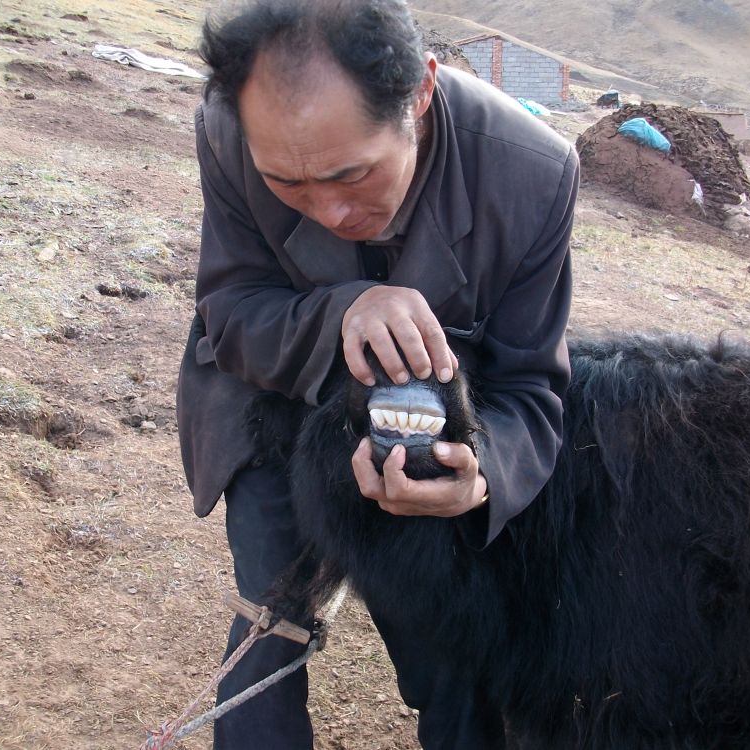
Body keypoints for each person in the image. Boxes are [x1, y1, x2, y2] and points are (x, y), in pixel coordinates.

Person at [176, 1, 578, 747]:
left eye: (352, 175)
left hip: (429, 431)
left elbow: (530, 385)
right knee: (270, 611)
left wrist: (479, 473)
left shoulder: (533, 175)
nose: (329, 212)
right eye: (287, 186)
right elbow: (229, 311)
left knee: (449, 644)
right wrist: (346, 311)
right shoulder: (231, 128)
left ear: (420, 92)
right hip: (273, 399)